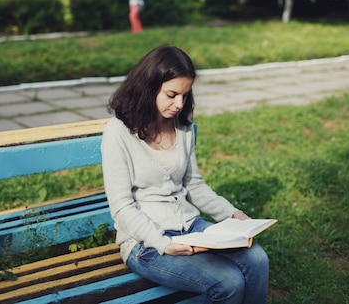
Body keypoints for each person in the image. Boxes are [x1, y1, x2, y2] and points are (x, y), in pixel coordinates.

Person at [101, 45, 270, 304]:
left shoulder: (182, 129)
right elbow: (122, 207)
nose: (179, 104)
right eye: (171, 94)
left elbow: (194, 185)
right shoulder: (118, 133)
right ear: (149, 87)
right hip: (145, 243)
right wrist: (163, 243)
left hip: (190, 227)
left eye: (184, 95)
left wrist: (232, 215)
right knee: (229, 282)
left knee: (258, 259)